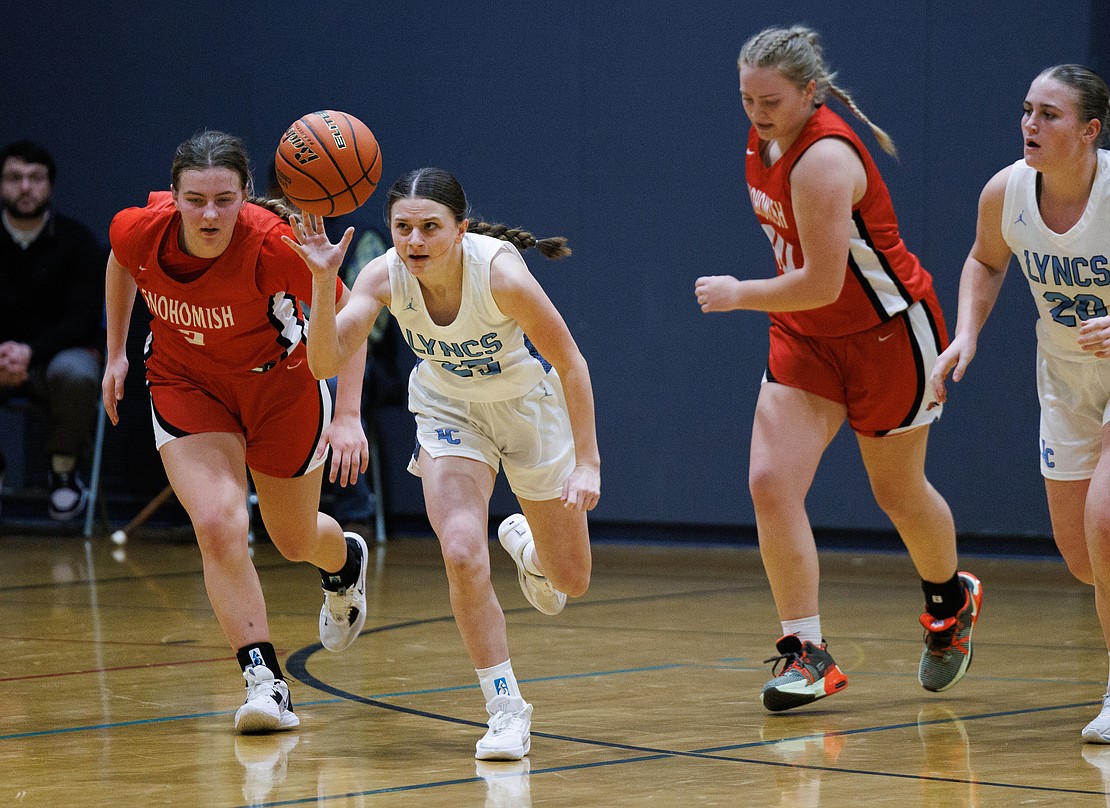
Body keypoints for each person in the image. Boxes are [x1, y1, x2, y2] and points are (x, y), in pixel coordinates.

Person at [693, 25, 983, 712]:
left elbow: (824, 281)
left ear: (810, 92)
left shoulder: (823, 158)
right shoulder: (763, 138)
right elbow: (810, 296)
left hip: (886, 336)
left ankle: (950, 603)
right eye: (746, 99)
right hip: (806, 335)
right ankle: (806, 654)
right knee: (770, 482)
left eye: (770, 100)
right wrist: (766, 302)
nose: (757, 113)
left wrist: (738, 295)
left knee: (898, 494)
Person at [286, 167, 599, 760]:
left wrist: (588, 463)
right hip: (448, 411)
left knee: (570, 581)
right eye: (403, 228)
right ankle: (506, 709)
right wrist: (325, 284)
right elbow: (325, 361)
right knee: (459, 551)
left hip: (527, 410)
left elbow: (572, 364)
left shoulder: (501, 275)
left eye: (430, 227)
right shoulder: (382, 275)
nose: (415, 241)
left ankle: (529, 550)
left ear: (459, 229)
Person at [102, 130, 372, 734]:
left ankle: (344, 562)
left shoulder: (275, 246)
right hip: (187, 386)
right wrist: (117, 352)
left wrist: (350, 416)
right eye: (194, 199)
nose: (209, 214)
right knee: (219, 522)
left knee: (294, 539)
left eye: (224, 199)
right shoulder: (138, 228)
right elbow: (121, 262)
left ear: (246, 194)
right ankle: (265, 683)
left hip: (282, 389)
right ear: (172, 197)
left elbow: (352, 324)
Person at [930, 64, 1110, 741]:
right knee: (1081, 557)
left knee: (1107, 524)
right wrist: (967, 333)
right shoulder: (1006, 192)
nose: (1030, 125)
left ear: (1090, 130)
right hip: (1065, 378)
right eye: (1027, 111)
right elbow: (985, 259)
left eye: (1050, 115)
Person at [0, 140, 105, 520]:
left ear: (50, 185)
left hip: (55, 359)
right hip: (2, 358)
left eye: (35, 178)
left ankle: (63, 470)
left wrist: (30, 352)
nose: (24, 187)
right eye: (14, 178)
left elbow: (82, 319)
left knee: (78, 373)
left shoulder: (77, 243)